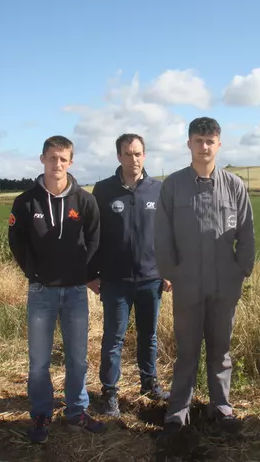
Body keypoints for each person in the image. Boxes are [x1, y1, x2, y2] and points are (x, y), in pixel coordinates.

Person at [154, 117, 255, 441]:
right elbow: (162, 235)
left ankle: (221, 406)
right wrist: (171, 273)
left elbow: (247, 233)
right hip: (187, 284)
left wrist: (241, 270)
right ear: (189, 144)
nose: (204, 146)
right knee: (186, 350)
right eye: (198, 140)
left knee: (220, 349)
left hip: (225, 283)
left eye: (210, 141)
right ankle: (178, 411)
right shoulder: (173, 186)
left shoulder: (234, 186)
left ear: (219, 144)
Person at [8, 135, 105, 444]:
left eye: (63, 159)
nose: (57, 164)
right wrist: (33, 272)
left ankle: (76, 411)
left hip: (76, 292)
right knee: (39, 360)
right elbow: (17, 242)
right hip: (41, 292)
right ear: (42, 160)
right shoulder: (26, 201)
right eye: (52, 158)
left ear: (71, 162)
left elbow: (94, 239)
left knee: (77, 357)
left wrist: (80, 271)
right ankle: (41, 413)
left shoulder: (85, 200)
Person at [87, 133, 171, 418]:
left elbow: (167, 234)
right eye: (127, 154)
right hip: (115, 280)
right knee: (114, 338)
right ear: (118, 157)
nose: (133, 159)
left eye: (138, 153)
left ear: (144, 156)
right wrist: (91, 274)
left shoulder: (158, 190)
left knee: (149, 336)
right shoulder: (104, 190)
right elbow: (92, 235)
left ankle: (150, 384)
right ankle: (109, 393)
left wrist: (168, 271)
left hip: (151, 278)